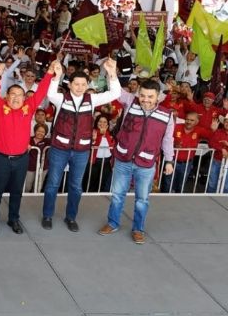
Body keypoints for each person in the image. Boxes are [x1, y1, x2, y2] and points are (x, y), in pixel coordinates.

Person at [41, 58, 121, 232]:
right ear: (69, 85)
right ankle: (47, 215)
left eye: (83, 84)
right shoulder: (60, 98)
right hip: (59, 149)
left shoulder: (91, 99)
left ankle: (71, 217)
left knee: (76, 187)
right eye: (76, 84)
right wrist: (57, 75)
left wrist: (112, 73)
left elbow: (115, 94)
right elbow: (50, 94)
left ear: (87, 85)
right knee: (53, 184)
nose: (79, 87)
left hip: (81, 151)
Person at [99, 79, 175, 245]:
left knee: (142, 199)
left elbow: (168, 140)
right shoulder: (130, 102)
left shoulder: (166, 116)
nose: (145, 99)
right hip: (123, 159)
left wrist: (169, 160)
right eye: (142, 95)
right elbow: (117, 91)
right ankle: (112, 223)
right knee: (117, 195)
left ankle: (138, 229)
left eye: (150, 96)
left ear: (157, 97)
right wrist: (112, 73)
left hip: (146, 164)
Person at [0, 60, 56, 234]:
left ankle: (13, 219)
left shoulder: (29, 107)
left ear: (25, 98)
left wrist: (49, 72)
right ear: (7, 96)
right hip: (1, 158)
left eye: (20, 95)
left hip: (22, 159)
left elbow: (41, 92)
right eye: (13, 94)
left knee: (17, 191)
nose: (16, 98)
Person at [84, 115, 114, 193]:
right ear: (96, 123)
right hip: (94, 162)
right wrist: (95, 138)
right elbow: (90, 144)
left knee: (103, 183)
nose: (102, 124)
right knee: (91, 184)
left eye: (104, 122)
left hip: (107, 163)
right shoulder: (92, 132)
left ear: (107, 125)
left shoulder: (110, 135)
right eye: (100, 121)